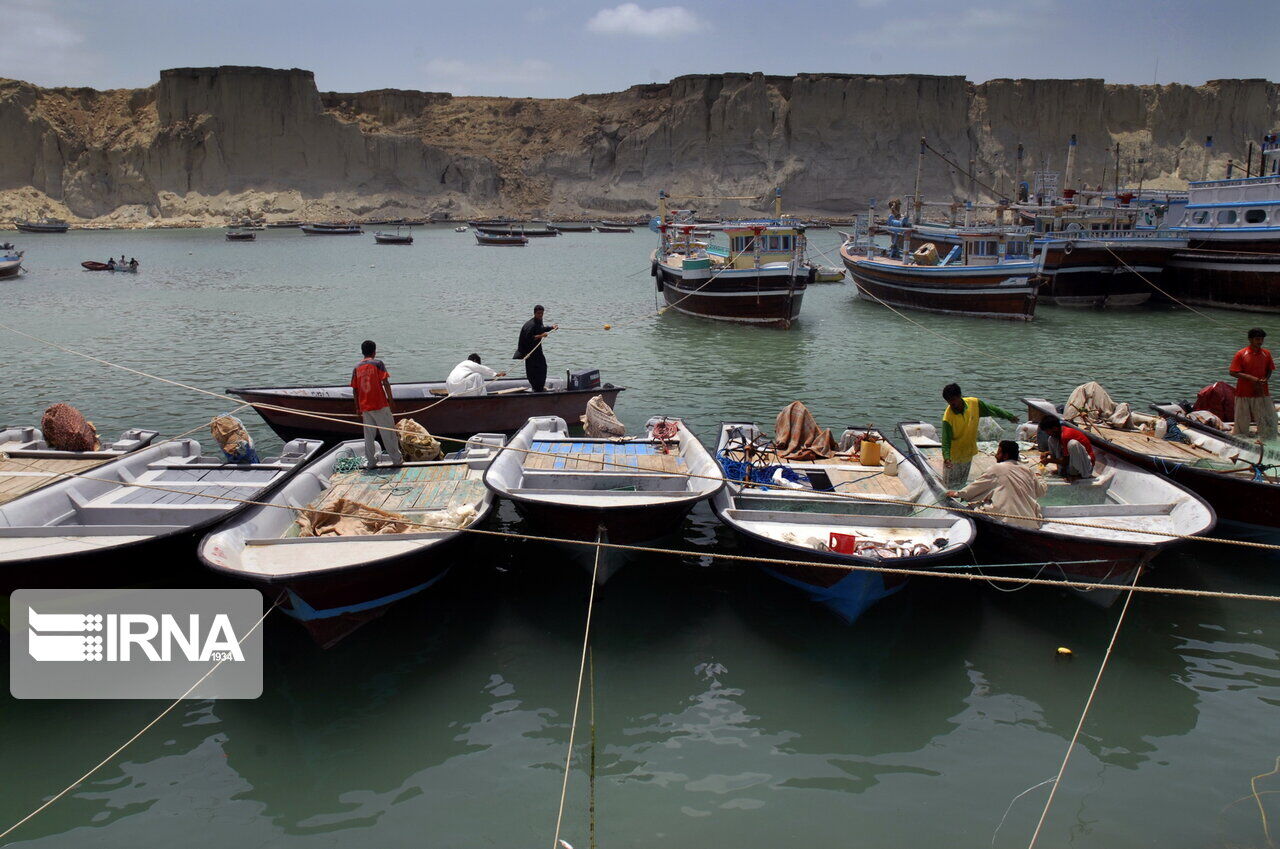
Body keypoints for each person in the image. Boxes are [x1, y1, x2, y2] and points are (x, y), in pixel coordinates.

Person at [947, 440, 1046, 529]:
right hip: (1031, 522)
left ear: (1005, 455)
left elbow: (976, 487)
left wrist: (957, 494)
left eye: (998, 453)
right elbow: (1041, 491)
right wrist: (1039, 475)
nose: (996, 455)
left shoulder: (997, 468)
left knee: (975, 506)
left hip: (1006, 521)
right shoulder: (1027, 470)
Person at [940, 383, 1018, 488]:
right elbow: (946, 441)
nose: (951, 403)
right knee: (949, 486)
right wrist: (947, 458)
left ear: (960, 396)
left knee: (961, 484)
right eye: (948, 401)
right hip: (954, 457)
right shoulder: (947, 418)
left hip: (968, 453)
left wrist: (1008, 416)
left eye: (953, 399)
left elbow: (992, 409)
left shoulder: (974, 404)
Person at [350, 340, 402, 469]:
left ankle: (371, 462)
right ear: (374, 351)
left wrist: (357, 407)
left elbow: (355, 389)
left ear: (362, 352)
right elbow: (385, 383)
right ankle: (396, 460)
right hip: (379, 404)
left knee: (369, 436)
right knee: (388, 433)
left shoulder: (356, 367)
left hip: (365, 406)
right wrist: (391, 400)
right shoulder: (378, 364)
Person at [1229, 328, 1278, 440]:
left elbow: (1270, 369)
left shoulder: (1266, 353)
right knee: (1242, 419)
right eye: (1257, 339)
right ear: (1250, 339)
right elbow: (1233, 372)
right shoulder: (1241, 354)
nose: (1259, 342)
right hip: (1244, 392)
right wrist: (1252, 378)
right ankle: (1240, 438)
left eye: (1261, 339)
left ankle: (1267, 439)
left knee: (1265, 417)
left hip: (1261, 392)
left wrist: (1266, 378)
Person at [514, 305, 558, 392]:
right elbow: (529, 338)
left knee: (542, 367)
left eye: (542, 313)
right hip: (529, 352)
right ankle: (537, 388)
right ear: (534, 313)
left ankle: (539, 387)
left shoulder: (539, 321)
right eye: (538, 313)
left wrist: (551, 327)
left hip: (536, 350)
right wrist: (541, 336)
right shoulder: (530, 325)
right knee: (533, 370)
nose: (540, 315)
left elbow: (541, 329)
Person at [1037, 413, 1095, 479]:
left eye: (1047, 431)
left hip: (1086, 465)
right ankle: (1062, 471)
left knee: (1072, 444)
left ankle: (1078, 474)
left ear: (1055, 428)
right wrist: (1047, 453)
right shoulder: (1058, 435)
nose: (1047, 433)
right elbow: (1063, 451)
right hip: (1072, 461)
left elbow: (1065, 461)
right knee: (1051, 439)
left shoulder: (1066, 435)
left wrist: (1049, 460)